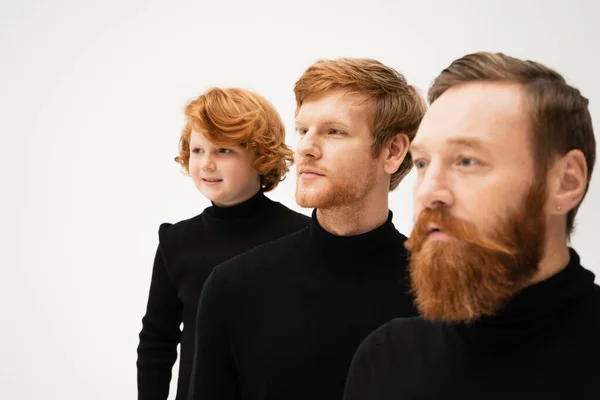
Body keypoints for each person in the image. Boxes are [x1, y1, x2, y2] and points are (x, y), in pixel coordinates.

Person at [343, 52, 600, 400]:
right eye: (421, 162)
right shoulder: (387, 358)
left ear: (566, 182)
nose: (429, 192)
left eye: (466, 161)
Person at [186, 57, 426, 400]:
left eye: (334, 131)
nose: (305, 149)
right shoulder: (233, 287)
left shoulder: (444, 294)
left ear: (393, 151)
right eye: (303, 130)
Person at [136, 87, 311, 400]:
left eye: (223, 151)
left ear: (261, 156)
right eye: (198, 150)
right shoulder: (176, 242)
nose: (206, 163)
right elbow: (156, 342)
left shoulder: (303, 236)